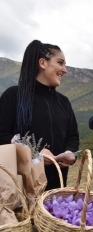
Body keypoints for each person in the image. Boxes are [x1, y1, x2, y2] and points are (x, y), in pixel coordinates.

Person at [0, 40, 79, 190]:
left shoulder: (64, 102)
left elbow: (72, 136)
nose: (65, 70)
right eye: (60, 63)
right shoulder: (13, 96)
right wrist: (33, 154)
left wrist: (70, 152)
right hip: (19, 189)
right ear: (43, 63)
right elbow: (2, 135)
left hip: (57, 188)